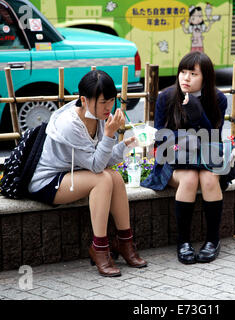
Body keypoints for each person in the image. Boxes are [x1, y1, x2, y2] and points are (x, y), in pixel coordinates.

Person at [28, 70, 147, 277]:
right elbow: (96, 166)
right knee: (102, 180)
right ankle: (99, 248)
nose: (109, 107)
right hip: (47, 181)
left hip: (74, 175)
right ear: (84, 100)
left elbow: (103, 159)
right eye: (103, 102)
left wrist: (125, 145)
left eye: (111, 101)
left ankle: (125, 242)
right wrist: (110, 135)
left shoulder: (99, 117)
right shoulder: (70, 124)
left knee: (115, 177)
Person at [142, 51, 235, 264]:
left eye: (193, 73)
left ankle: (213, 240)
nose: (185, 78)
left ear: (205, 77)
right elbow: (160, 137)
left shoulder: (217, 99)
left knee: (209, 178)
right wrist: (187, 138)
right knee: (189, 178)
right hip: (174, 159)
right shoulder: (166, 97)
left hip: (205, 157)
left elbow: (212, 136)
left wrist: (196, 112)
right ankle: (183, 242)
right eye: (183, 72)